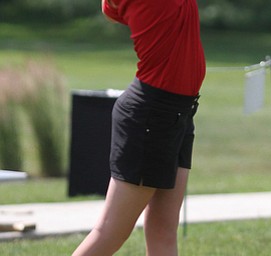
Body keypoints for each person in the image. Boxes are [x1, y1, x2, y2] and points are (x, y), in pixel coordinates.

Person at [72, 0, 206, 255]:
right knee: (111, 231)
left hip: (177, 111)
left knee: (163, 228)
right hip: (153, 115)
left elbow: (109, 12)